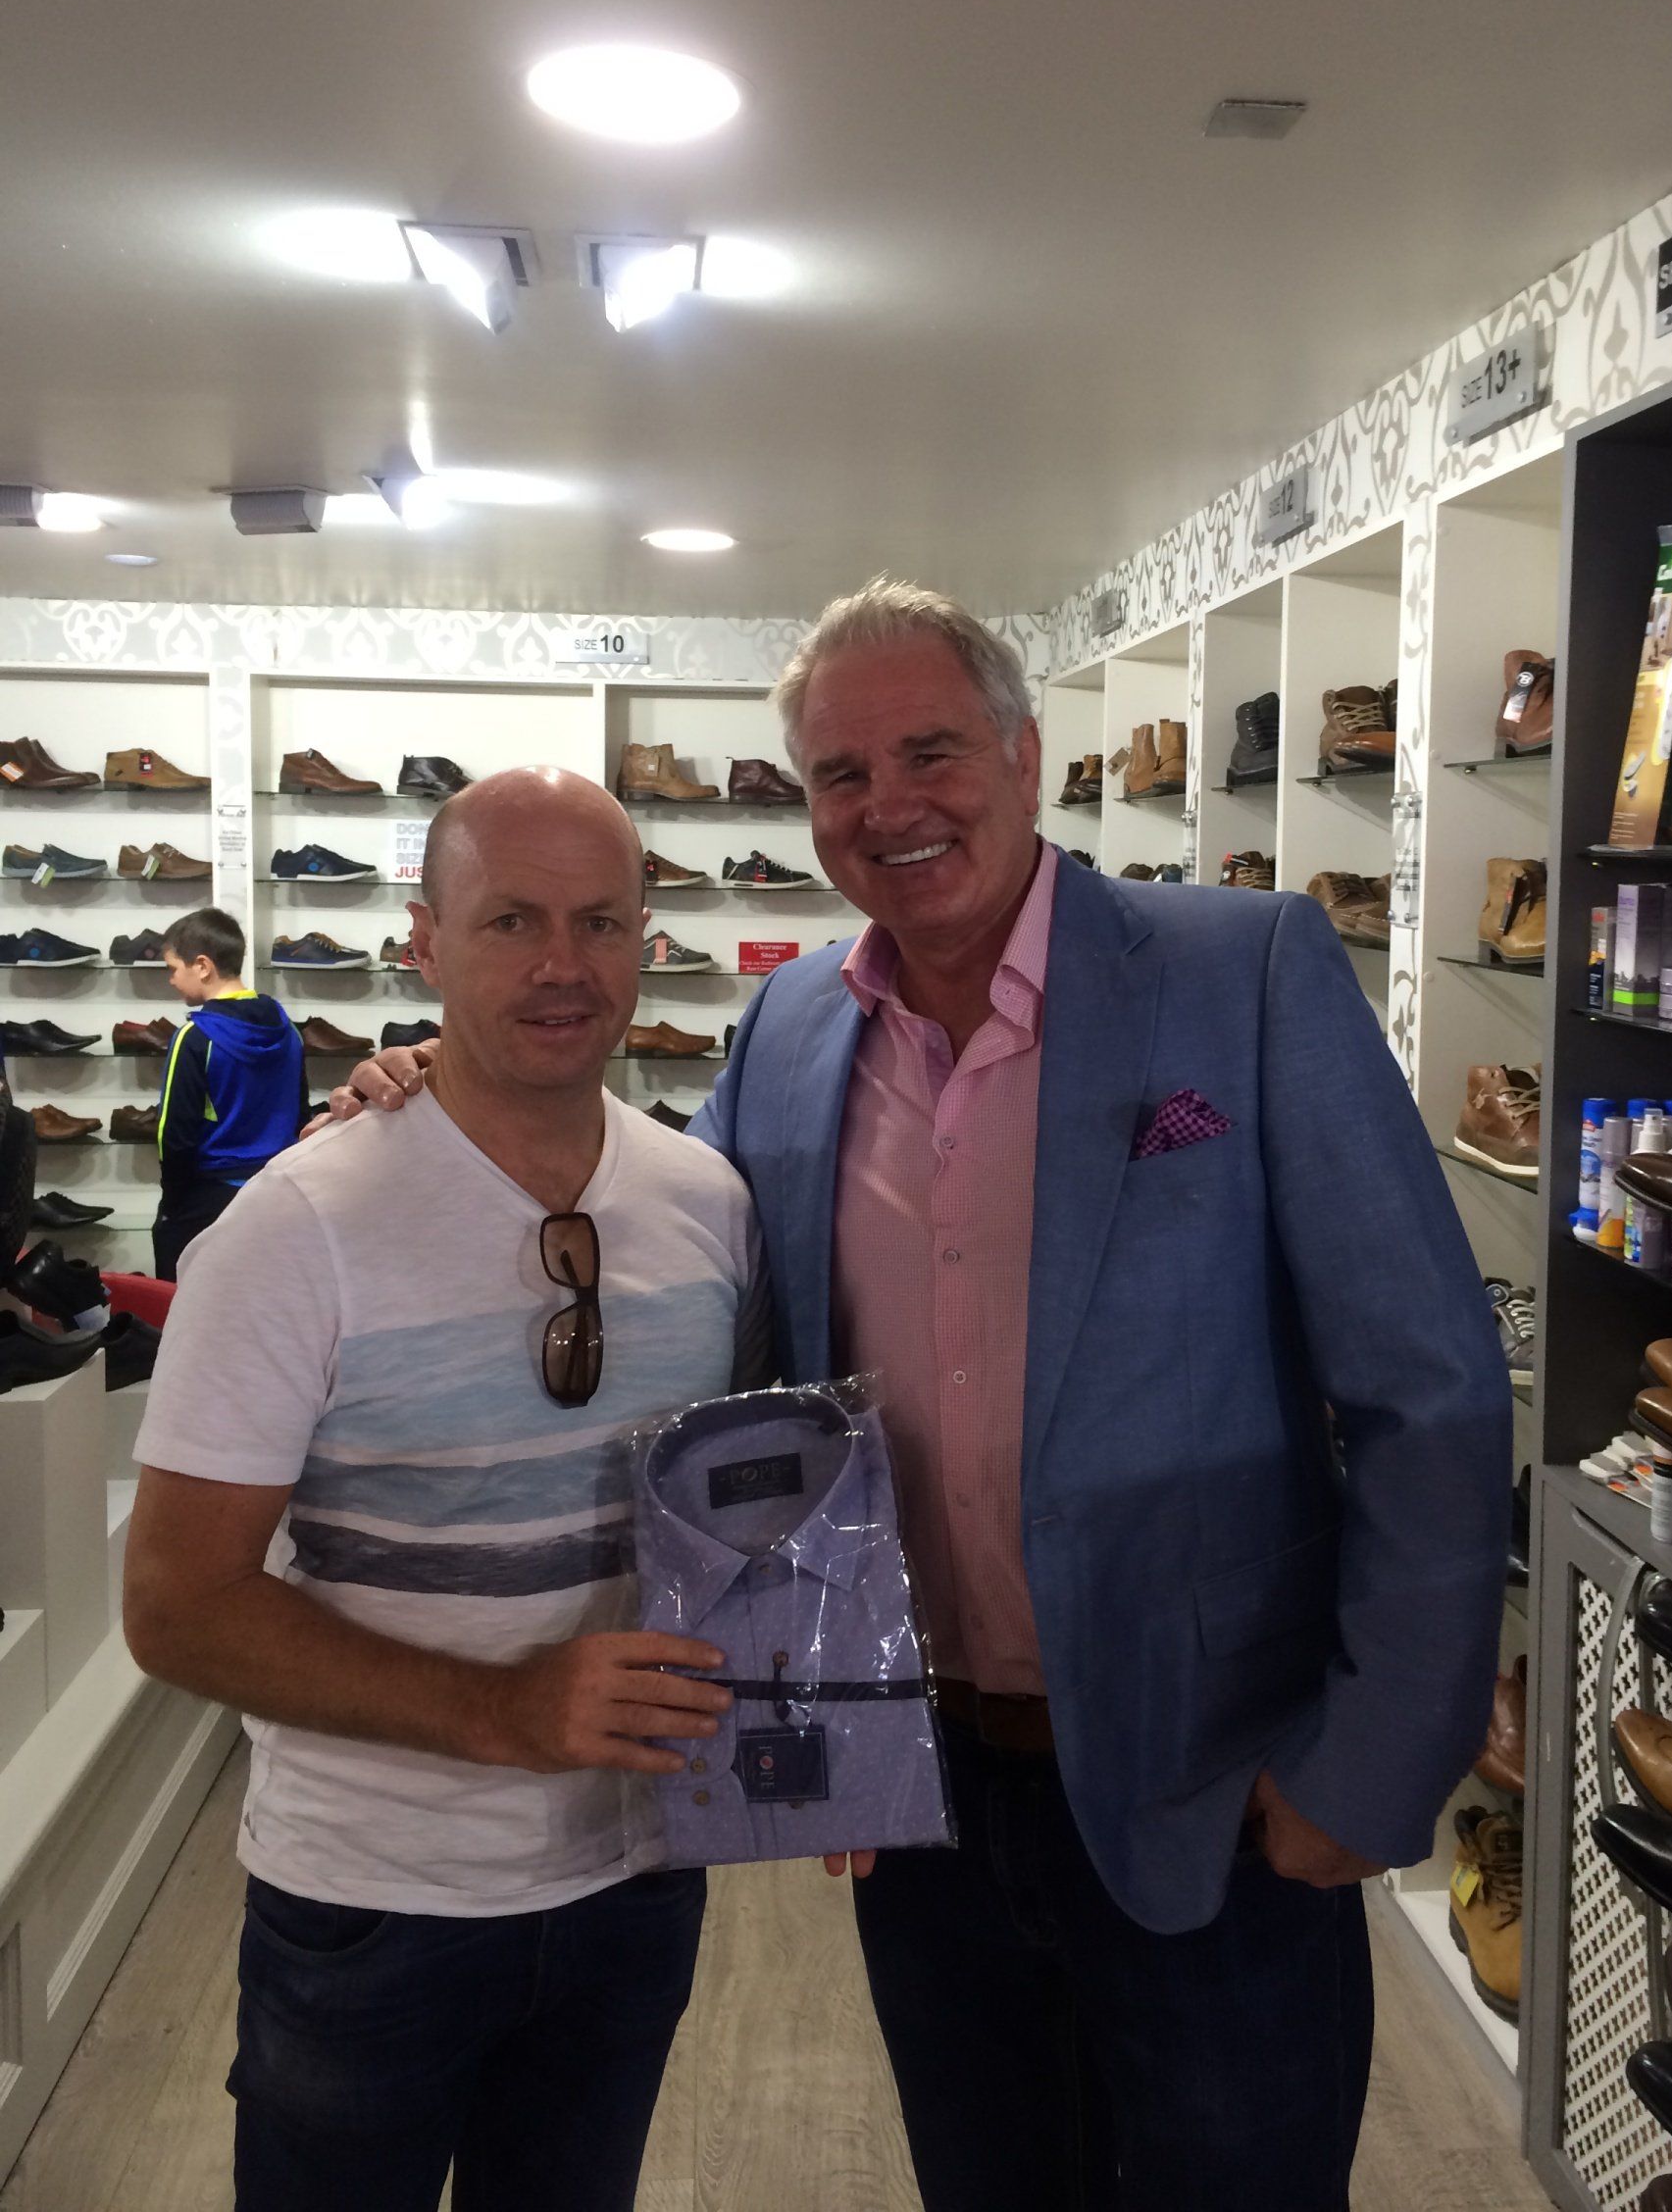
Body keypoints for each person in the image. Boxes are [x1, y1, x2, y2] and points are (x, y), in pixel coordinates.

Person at [330, 586, 1513, 2212]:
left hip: (1224, 1790)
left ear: (1023, 755)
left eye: (931, 749)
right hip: (930, 1800)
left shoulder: (1239, 970)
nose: (889, 803)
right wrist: (430, 1081)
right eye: (838, 773)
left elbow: (1430, 1391)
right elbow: (732, 1342)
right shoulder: (795, 1026)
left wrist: (1371, 1759)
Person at [124, 770, 766, 2212]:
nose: (562, 963)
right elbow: (176, 1610)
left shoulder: (709, 1204)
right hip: (373, 1903)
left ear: (647, 937)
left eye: (600, 922)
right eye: (511, 921)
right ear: (423, 942)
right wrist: (503, 1710)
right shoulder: (294, 1230)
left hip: (636, 1878)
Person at [152, 907, 307, 1279]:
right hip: (278, 1194)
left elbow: (174, 1134)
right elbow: (302, 1118)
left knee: (186, 1311)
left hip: (211, 1198)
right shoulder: (289, 1031)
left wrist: (173, 1205)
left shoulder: (194, 1037)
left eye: (174, 969)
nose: (172, 981)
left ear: (202, 966)